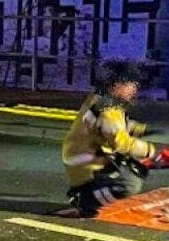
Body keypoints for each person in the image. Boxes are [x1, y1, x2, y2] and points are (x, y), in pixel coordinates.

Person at [62, 60, 165, 217]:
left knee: (134, 168)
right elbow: (120, 141)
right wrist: (151, 151)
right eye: (131, 84)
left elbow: (116, 126)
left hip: (87, 160)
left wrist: (140, 129)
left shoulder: (102, 99)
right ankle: (86, 200)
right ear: (117, 85)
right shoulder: (108, 107)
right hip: (87, 167)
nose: (134, 90)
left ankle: (88, 194)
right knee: (129, 183)